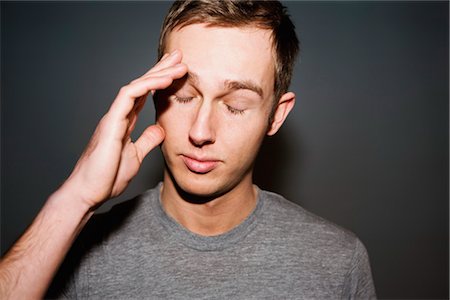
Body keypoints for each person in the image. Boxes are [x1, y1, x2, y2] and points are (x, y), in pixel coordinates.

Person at [0, 0, 376, 298]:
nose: (200, 131)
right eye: (182, 96)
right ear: (155, 92)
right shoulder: (74, 255)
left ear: (276, 116)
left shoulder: (337, 262)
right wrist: (74, 200)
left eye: (235, 106)